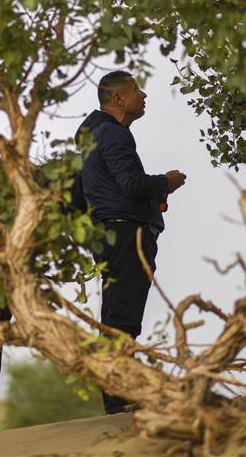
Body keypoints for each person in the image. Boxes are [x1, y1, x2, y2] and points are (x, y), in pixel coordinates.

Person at [75, 70, 186, 415]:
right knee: (123, 317)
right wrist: (166, 182)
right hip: (127, 234)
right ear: (119, 100)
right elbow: (132, 184)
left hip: (108, 234)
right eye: (136, 89)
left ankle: (116, 394)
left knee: (116, 314)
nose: (143, 95)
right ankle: (118, 397)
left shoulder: (92, 136)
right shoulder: (114, 135)